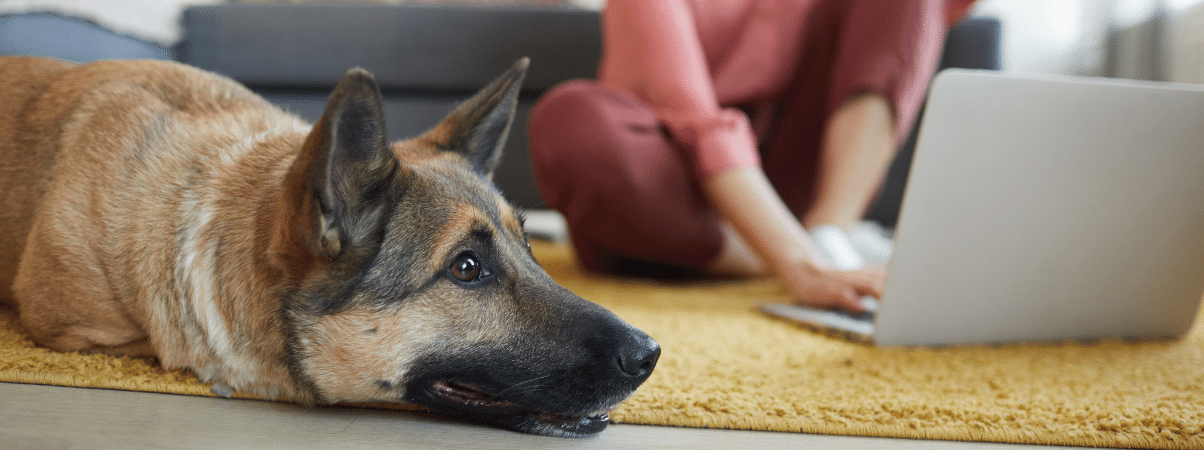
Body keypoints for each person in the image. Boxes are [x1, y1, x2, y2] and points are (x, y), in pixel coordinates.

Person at [528, 0, 969, 312]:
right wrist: (796, 261)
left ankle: (831, 232)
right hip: (675, 202)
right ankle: (795, 253)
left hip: (796, 189)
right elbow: (700, 126)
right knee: (571, 122)